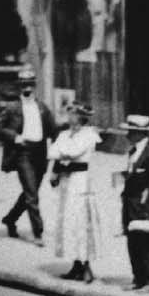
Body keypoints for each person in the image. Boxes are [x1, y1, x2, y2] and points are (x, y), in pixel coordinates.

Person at [0, 74, 57, 240]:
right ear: (19, 87)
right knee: (32, 195)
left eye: (30, 84)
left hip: (41, 154)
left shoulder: (42, 107)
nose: (27, 88)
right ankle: (38, 233)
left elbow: (54, 130)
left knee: (31, 193)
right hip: (23, 153)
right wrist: (15, 137)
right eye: (24, 85)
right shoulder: (12, 107)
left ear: (34, 85)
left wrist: (58, 150)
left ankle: (10, 219)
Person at [49, 101, 105, 283]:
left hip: (81, 182)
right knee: (69, 222)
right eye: (69, 113)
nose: (70, 117)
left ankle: (87, 265)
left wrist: (62, 155)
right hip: (67, 182)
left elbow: (73, 152)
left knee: (82, 222)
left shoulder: (89, 135)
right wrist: (56, 169)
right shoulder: (65, 134)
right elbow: (53, 152)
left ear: (81, 117)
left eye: (73, 114)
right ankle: (76, 264)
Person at [119, 114, 149, 292]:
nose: (128, 134)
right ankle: (138, 278)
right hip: (130, 203)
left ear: (141, 134)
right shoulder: (133, 152)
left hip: (143, 207)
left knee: (146, 244)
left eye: (132, 131)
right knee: (132, 242)